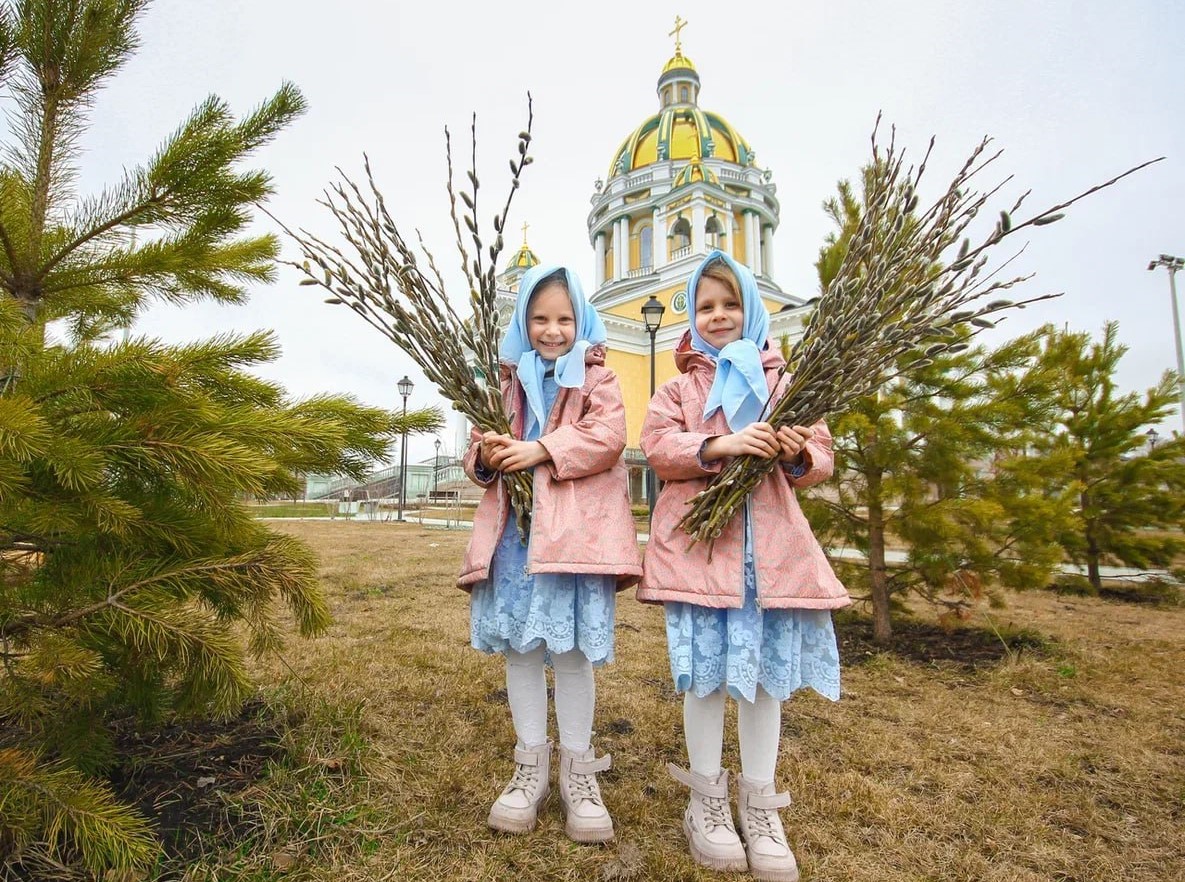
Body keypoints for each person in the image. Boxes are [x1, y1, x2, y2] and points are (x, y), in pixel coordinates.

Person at [638, 250, 850, 881]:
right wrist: (720, 443)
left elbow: (821, 452)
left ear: (751, 309)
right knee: (704, 678)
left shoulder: (784, 385)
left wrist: (794, 450)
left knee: (761, 682)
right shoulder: (679, 388)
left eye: (731, 304)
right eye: (706, 306)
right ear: (692, 316)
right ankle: (705, 798)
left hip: (770, 558)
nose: (720, 315)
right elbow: (656, 447)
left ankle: (760, 801)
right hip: (705, 558)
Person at [458, 264, 642, 843]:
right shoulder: (503, 384)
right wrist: (488, 456)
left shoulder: (598, 379)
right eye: (539, 318)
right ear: (523, 322)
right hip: (516, 539)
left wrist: (539, 448)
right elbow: (474, 455)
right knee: (521, 649)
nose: (553, 329)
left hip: (572, 540)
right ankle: (530, 764)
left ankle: (579, 771)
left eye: (564, 318)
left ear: (581, 320)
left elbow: (606, 438)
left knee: (570, 653)